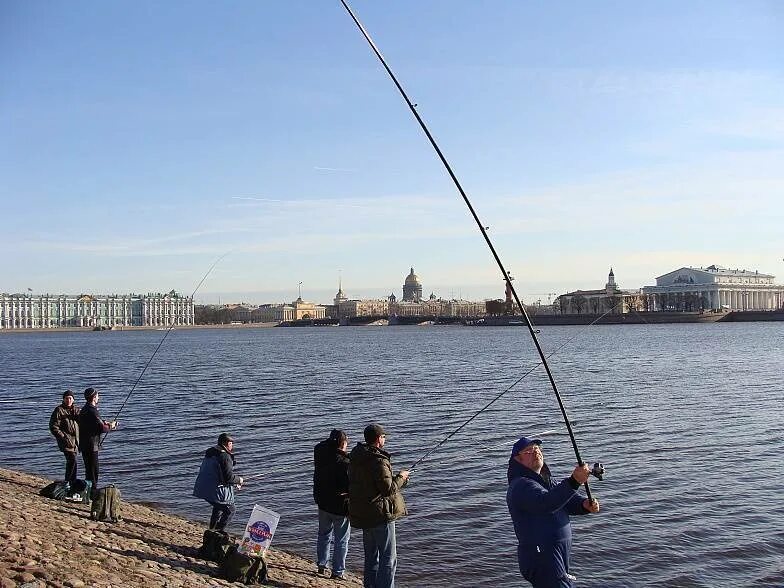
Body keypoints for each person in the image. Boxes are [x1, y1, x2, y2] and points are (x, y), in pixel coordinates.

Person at [506, 436, 600, 588]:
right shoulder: (521, 485)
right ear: (518, 460)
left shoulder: (545, 480)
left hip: (554, 554)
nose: (535, 452)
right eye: (528, 451)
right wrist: (574, 481)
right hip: (541, 556)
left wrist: (584, 504)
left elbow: (566, 501)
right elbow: (546, 503)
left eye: (537, 448)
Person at [349, 424, 409, 588]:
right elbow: (388, 489)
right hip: (380, 515)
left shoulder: (356, 456)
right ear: (377, 439)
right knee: (388, 558)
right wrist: (401, 478)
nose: (385, 439)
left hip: (364, 513)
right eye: (383, 437)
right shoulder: (379, 461)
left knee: (371, 556)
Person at [314, 429, 351, 580]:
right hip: (340, 507)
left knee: (323, 535)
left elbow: (321, 445)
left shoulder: (320, 452)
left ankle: (322, 565)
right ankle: (338, 571)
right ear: (342, 444)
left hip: (322, 502)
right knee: (341, 539)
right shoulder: (345, 463)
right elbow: (348, 486)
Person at [193, 433, 244, 532]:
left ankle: (211, 529)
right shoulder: (224, 456)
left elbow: (219, 474)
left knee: (218, 507)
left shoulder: (211, 452)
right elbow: (228, 478)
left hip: (202, 487)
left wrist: (234, 482)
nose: (232, 446)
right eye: (230, 443)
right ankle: (217, 533)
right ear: (225, 443)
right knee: (230, 510)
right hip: (213, 489)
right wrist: (239, 480)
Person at [78, 387, 117, 492]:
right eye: (98, 396)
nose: (99, 398)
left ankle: (89, 490)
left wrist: (104, 422)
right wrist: (111, 426)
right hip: (91, 445)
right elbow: (102, 428)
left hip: (85, 444)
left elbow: (94, 424)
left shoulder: (85, 409)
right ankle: (93, 492)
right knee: (94, 470)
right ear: (94, 397)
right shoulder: (92, 411)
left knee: (89, 470)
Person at [49, 390, 80, 483]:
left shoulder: (76, 410)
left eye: (70, 398)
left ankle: (72, 482)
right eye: (66, 398)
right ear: (63, 399)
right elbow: (53, 427)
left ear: (73, 399)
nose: (68, 400)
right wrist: (63, 437)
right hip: (66, 442)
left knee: (73, 463)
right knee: (72, 461)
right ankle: (68, 482)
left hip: (75, 442)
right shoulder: (59, 410)